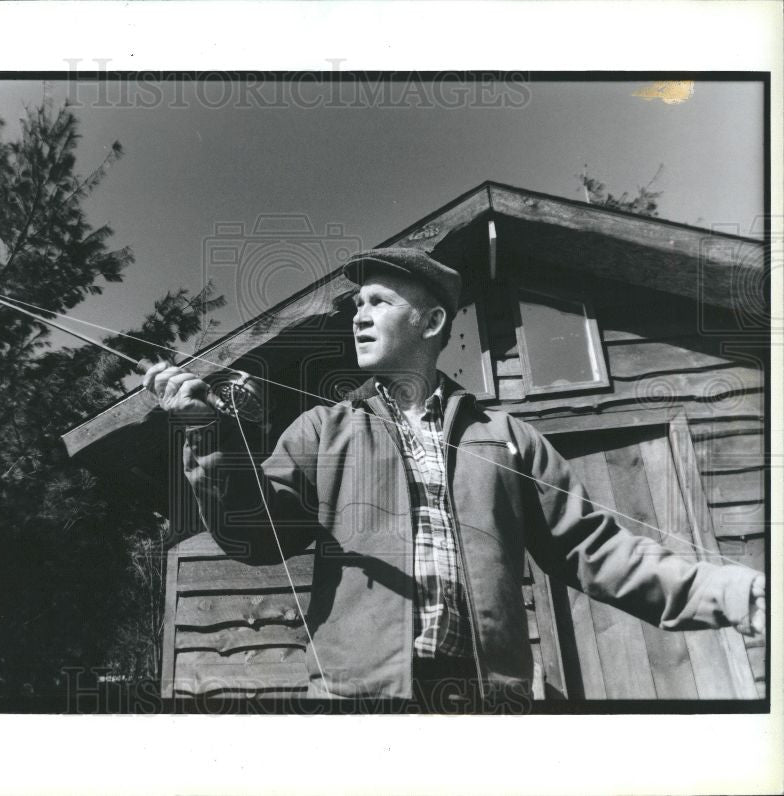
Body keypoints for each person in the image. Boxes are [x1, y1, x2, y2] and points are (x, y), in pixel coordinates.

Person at [144, 247, 766, 710]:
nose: (358, 317)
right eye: (355, 306)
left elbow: (599, 552)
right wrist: (209, 436)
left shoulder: (509, 437)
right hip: (357, 701)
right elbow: (257, 539)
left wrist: (731, 593)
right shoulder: (322, 431)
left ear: (434, 322)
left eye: (379, 302)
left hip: (488, 702)